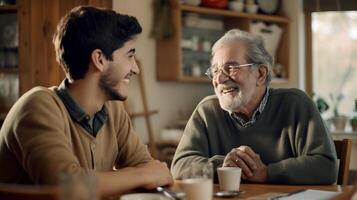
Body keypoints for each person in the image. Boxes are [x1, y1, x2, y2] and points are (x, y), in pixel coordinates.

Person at [0, 6, 173, 197]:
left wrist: (144, 174)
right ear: (99, 59)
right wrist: (142, 175)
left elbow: (154, 173)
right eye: (129, 56)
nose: (135, 69)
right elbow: (69, 188)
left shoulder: (113, 110)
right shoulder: (37, 106)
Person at [171, 29, 337, 184]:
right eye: (215, 71)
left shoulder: (295, 104)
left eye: (231, 68)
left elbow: (326, 166)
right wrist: (224, 165)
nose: (220, 79)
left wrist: (266, 172)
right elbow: (180, 165)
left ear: (260, 74)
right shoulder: (207, 111)